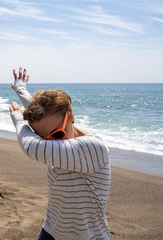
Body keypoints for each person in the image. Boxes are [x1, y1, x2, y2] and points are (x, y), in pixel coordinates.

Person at [9, 67, 111, 240]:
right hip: (50, 231)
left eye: (57, 135)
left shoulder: (94, 148)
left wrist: (19, 120)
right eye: (44, 138)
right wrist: (21, 89)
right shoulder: (56, 128)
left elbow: (32, 147)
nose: (53, 143)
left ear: (71, 116)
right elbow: (45, 117)